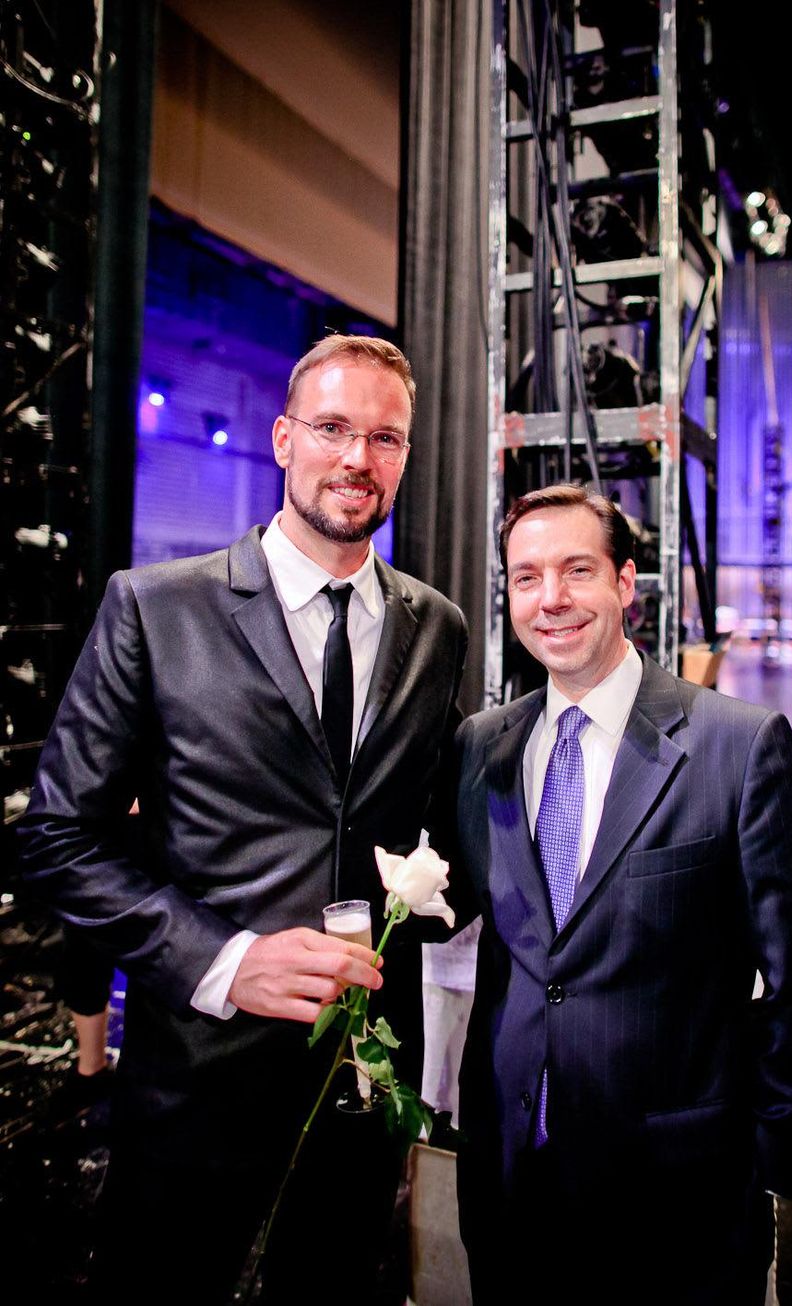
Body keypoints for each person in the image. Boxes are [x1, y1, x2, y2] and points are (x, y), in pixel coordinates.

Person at [18, 335, 467, 1304]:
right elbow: (56, 838)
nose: (357, 458)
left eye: (384, 437)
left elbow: (443, 822)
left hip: (362, 1089)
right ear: (281, 438)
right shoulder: (154, 609)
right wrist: (227, 962)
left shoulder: (437, 627)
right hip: (196, 1081)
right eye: (332, 428)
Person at [453, 484, 792, 1305]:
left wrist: (770, 1157)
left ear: (626, 582)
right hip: (511, 1179)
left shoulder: (738, 747)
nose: (551, 598)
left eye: (577, 570)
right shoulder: (481, 748)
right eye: (526, 577)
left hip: (678, 1195)